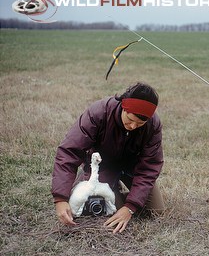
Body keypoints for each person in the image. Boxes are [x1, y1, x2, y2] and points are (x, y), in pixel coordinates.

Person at [52, 82, 165, 234]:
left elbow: (150, 167)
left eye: (140, 123)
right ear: (124, 106)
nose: (133, 126)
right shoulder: (99, 112)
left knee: (155, 210)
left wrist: (130, 207)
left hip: (133, 167)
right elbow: (69, 152)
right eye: (130, 120)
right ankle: (88, 183)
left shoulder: (153, 124)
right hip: (103, 166)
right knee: (108, 210)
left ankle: (120, 195)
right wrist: (60, 198)